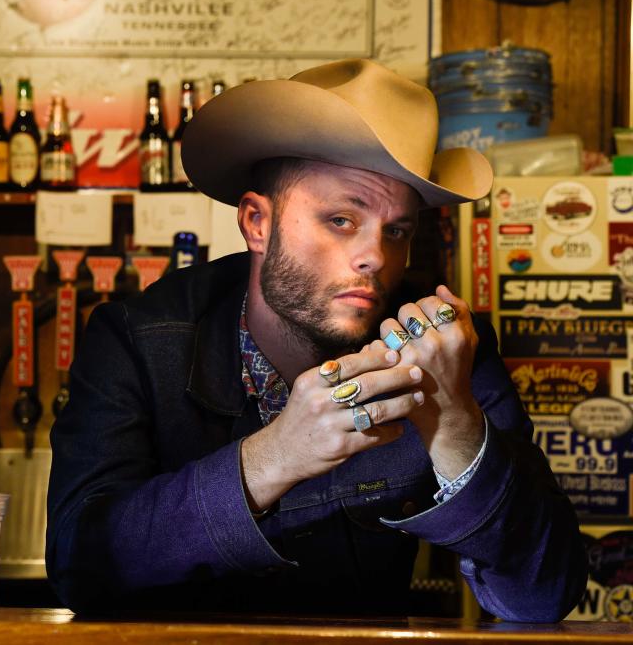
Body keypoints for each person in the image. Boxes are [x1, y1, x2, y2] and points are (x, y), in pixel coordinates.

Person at [46, 59, 588, 621]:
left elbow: (543, 596)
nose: (376, 257)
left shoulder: (441, 349)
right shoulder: (138, 340)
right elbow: (78, 567)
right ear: (257, 222)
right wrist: (276, 456)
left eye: (397, 230)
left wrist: (456, 426)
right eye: (341, 220)